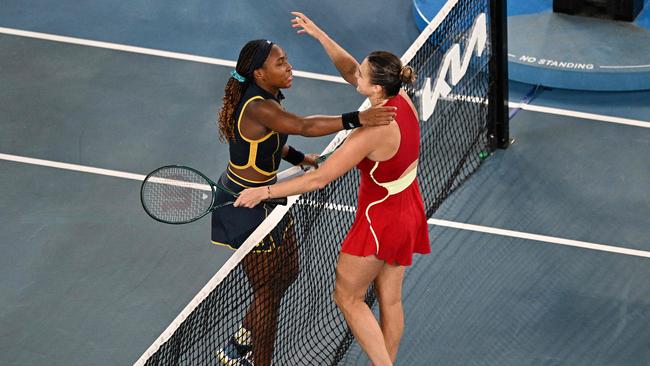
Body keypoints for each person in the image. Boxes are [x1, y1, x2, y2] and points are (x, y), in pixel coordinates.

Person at [234, 13, 431, 366]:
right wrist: (320, 35)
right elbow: (349, 69)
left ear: (375, 89)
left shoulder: (370, 132)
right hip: (408, 210)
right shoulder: (403, 102)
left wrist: (262, 193)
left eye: (363, 74)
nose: (357, 72)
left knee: (348, 297)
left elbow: (320, 178)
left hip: (379, 221)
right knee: (391, 299)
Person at [213, 39, 397, 366]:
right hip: (246, 205)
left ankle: (241, 338)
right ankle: (252, 359)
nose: (289, 67)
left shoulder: (266, 101)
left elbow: (277, 140)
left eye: (286, 60)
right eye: (280, 63)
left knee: (288, 273)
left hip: (268, 197)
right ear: (259, 73)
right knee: (267, 294)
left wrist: (298, 159)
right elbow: (302, 126)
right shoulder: (258, 107)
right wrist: (358, 119)